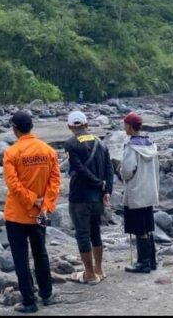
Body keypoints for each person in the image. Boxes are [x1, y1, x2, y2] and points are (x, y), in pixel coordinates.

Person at [3, 110, 62, 313]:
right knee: (41, 254)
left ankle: (29, 302)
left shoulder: (11, 153)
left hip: (16, 215)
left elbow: (13, 185)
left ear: (15, 129)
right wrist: (44, 205)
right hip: (40, 214)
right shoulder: (48, 151)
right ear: (31, 127)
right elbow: (55, 182)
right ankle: (46, 293)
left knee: (21, 259)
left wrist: (31, 200)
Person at [64, 111, 113, 285]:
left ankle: (90, 275)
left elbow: (79, 169)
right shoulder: (101, 143)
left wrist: (97, 183)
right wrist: (107, 190)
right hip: (98, 197)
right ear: (86, 124)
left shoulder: (70, 144)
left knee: (83, 235)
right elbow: (109, 169)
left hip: (80, 197)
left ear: (70, 126)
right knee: (95, 232)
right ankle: (99, 269)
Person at [119, 111, 160, 273]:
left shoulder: (131, 147)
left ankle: (143, 263)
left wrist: (120, 171)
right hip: (150, 192)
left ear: (130, 126)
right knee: (148, 226)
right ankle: (152, 260)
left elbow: (127, 171)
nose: (124, 128)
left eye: (125, 125)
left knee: (139, 228)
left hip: (136, 192)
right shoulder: (151, 144)